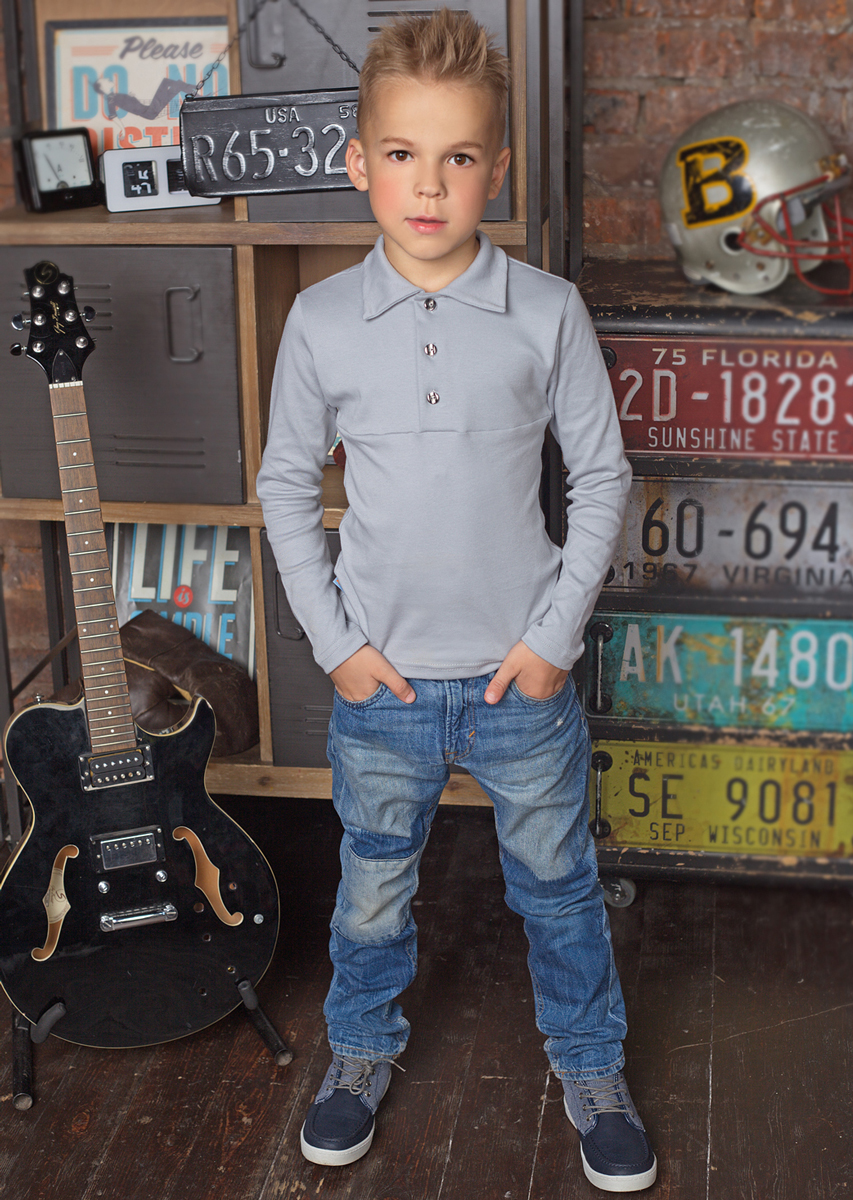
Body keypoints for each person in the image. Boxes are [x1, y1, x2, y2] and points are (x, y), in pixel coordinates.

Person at [256, 9, 655, 1193]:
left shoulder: (547, 311)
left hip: (518, 680)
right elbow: (284, 485)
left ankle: (592, 1067)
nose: (428, 186)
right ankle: (359, 1052)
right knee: (373, 894)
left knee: (560, 890)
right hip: (383, 685)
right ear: (358, 161)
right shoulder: (322, 321)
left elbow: (603, 477)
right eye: (402, 153)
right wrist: (336, 644)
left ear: (498, 169)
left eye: (458, 157)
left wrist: (552, 638)